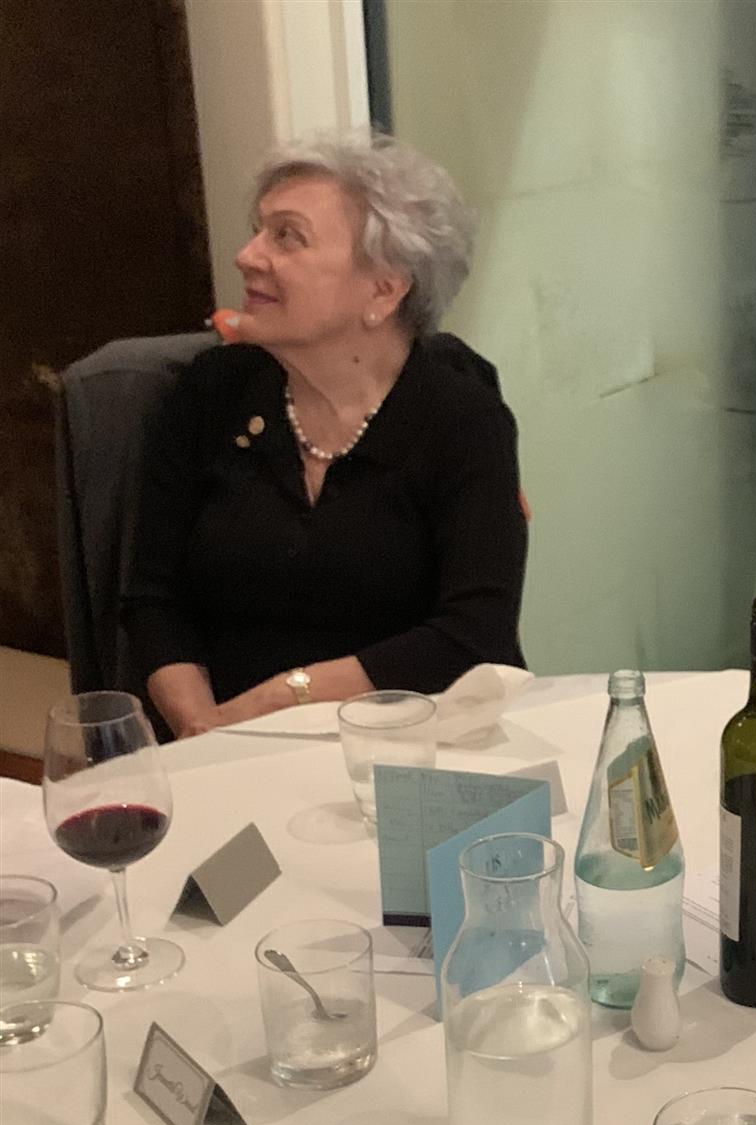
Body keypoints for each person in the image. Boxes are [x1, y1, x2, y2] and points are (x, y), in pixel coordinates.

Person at [123, 131, 526, 739]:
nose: (247, 256)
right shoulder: (212, 391)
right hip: (223, 746)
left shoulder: (461, 418)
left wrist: (283, 698)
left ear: (383, 289)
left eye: (287, 236)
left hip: (416, 747)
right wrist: (203, 732)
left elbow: (474, 634)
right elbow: (154, 602)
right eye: (259, 231)